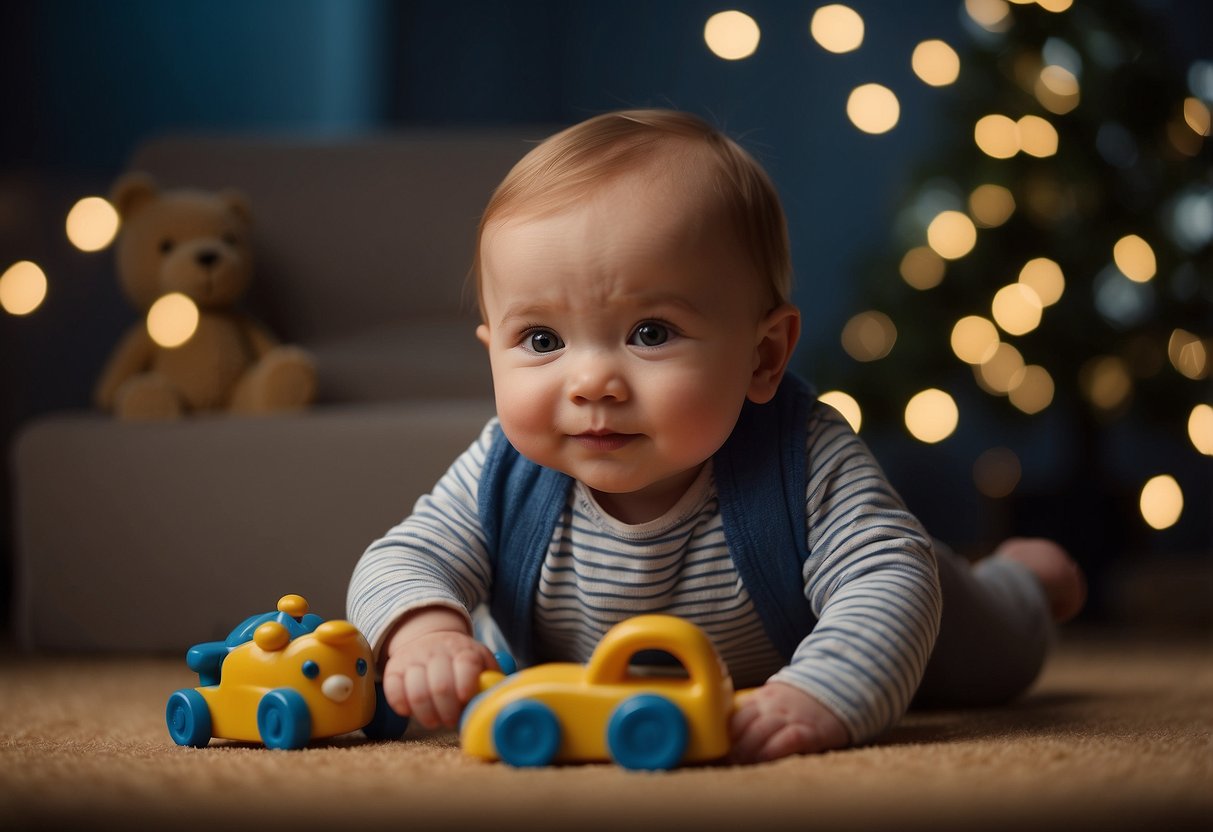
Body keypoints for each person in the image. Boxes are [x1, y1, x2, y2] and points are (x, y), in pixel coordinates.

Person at [347, 109, 1085, 763]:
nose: (590, 382)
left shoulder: (800, 455)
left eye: (649, 332)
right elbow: (401, 556)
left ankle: (1024, 578)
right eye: (541, 339)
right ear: (491, 353)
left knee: (989, 653)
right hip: (595, 667)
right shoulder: (504, 469)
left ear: (762, 356)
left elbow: (887, 579)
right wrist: (426, 631)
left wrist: (818, 695)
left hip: (908, 628)